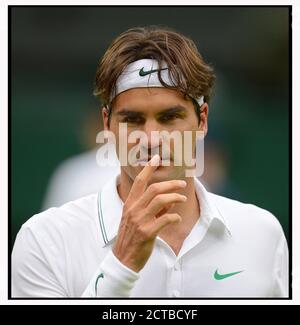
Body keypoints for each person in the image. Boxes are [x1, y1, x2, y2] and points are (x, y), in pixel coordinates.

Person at [12, 26, 288, 297]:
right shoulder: (43, 240)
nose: (152, 138)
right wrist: (122, 263)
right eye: (133, 119)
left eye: (169, 117)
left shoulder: (263, 233)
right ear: (107, 124)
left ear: (202, 120)